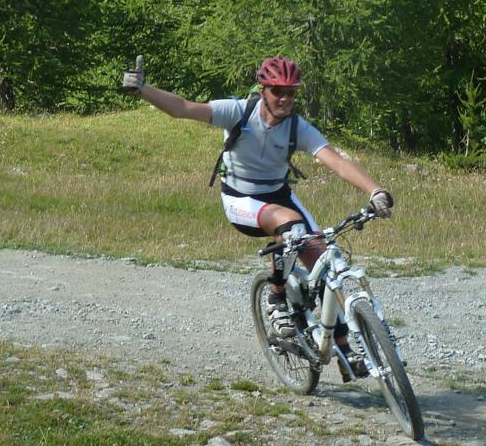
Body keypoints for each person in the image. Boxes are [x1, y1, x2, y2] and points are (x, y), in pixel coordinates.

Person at [122, 55, 393, 377]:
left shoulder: (296, 126)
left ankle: (344, 348)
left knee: (323, 259)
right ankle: (276, 300)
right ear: (263, 90)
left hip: (278, 194)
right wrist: (143, 90)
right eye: (277, 91)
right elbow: (183, 108)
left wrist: (375, 191)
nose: (284, 98)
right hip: (241, 199)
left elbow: (334, 160)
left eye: (291, 92)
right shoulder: (239, 112)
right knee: (290, 224)